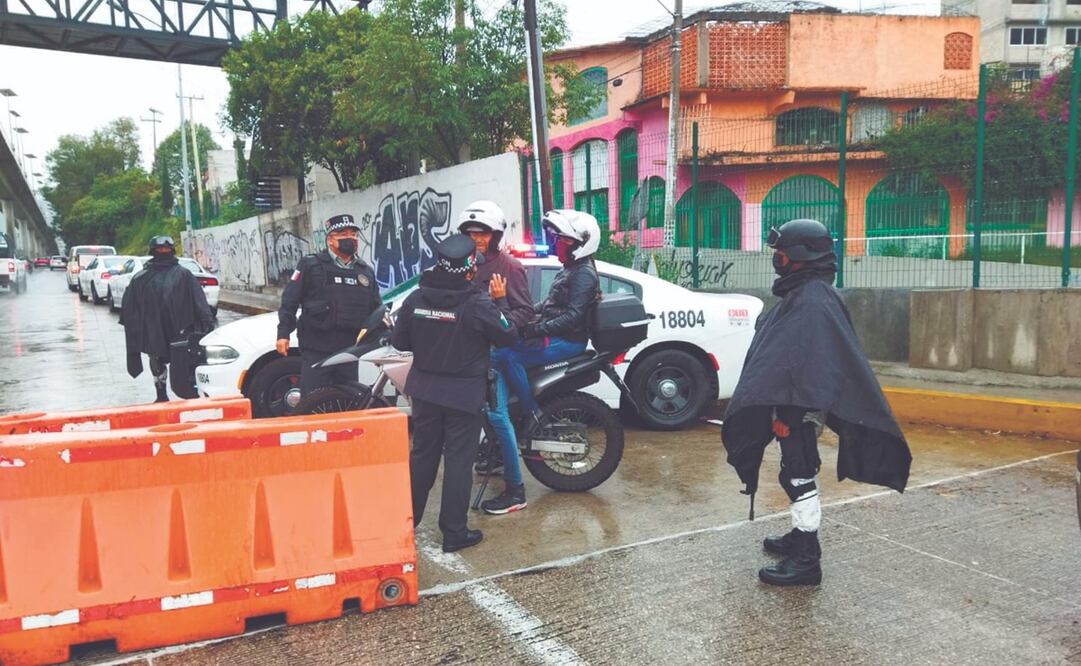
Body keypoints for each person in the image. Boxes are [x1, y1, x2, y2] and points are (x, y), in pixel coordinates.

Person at [721, 218, 912, 587]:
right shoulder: (807, 293)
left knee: (798, 473)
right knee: (793, 469)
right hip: (796, 401)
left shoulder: (811, 301)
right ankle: (799, 536)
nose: (776, 258)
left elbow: (804, 366)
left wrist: (788, 416)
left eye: (781, 252)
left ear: (800, 255)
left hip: (800, 405)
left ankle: (807, 558)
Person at [392, 234, 518, 552]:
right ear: (470, 271)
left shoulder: (415, 299)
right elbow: (508, 335)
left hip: (424, 392)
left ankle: (404, 524)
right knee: (459, 463)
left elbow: (400, 342)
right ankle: (454, 532)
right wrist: (501, 301)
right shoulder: (478, 304)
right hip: (463, 396)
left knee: (422, 457)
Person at [479, 210, 601, 516]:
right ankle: (499, 448)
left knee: (505, 354)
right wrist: (524, 315)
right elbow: (548, 305)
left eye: (562, 240)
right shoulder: (570, 268)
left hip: (567, 340)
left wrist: (532, 330)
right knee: (502, 353)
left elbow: (572, 316)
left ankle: (530, 411)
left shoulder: (583, 274)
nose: (556, 243)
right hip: (555, 334)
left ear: (580, 244)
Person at [455, 201, 534, 483]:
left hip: (499, 352)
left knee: (497, 415)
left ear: (495, 235)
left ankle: (515, 486)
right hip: (470, 353)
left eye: (483, 233)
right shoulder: (464, 265)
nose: (476, 239)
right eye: (471, 233)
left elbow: (525, 311)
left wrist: (499, 308)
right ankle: (494, 453)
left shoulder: (509, 267)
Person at [276, 214, 380, 396]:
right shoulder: (311, 265)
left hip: (349, 349)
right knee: (313, 399)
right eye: (344, 234)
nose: (351, 238)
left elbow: (375, 308)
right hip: (317, 347)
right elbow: (290, 300)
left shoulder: (365, 271)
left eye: (354, 234)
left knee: (348, 399)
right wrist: (283, 333)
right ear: (330, 240)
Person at [120, 235, 215, 402]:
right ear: (153, 251)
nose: (163, 251)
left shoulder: (183, 275)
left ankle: (189, 393)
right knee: (156, 360)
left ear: (171, 250)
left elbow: (198, 299)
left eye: (166, 249)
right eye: (160, 249)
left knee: (185, 362)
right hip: (154, 330)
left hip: (181, 329)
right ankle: (161, 394)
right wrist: (134, 326)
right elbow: (130, 306)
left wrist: (206, 320)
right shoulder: (141, 278)